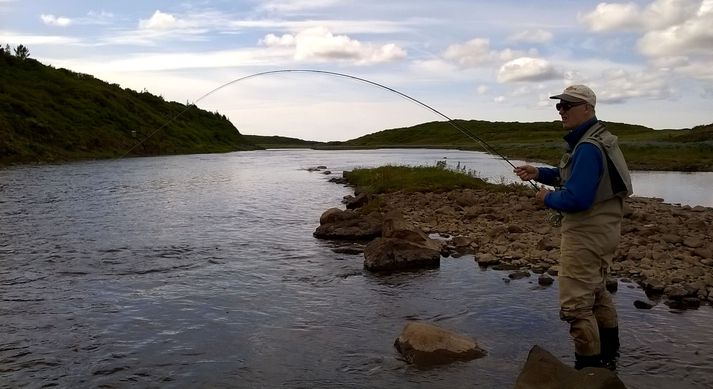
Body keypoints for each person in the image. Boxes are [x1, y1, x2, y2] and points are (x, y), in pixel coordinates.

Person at [514, 84, 632, 370]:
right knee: (597, 291)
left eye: (567, 105)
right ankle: (611, 359)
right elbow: (577, 177)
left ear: (588, 109)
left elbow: (577, 197)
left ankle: (588, 370)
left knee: (576, 307)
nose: (561, 111)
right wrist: (540, 173)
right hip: (605, 231)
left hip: (586, 235)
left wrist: (547, 197)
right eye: (559, 106)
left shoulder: (589, 147)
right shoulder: (598, 139)